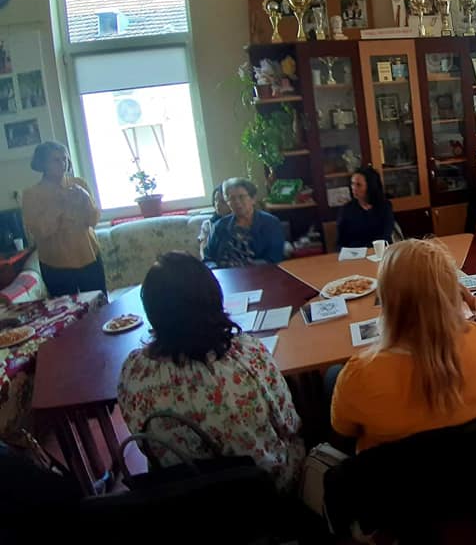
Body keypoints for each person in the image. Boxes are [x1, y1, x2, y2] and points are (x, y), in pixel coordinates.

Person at [117, 252, 305, 492]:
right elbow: (289, 424)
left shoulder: (133, 371)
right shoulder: (244, 357)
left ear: (152, 311)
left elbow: (144, 442)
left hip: (180, 495)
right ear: (213, 298)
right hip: (262, 490)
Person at [329, 239, 476, 452]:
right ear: (453, 291)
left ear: (388, 299)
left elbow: (343, 430)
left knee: (332, 375)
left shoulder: (359, 374)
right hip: (462, 460)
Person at [21, 141, 105, 297]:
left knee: (100, 304)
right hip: (55, 264)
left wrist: (86, 198)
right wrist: (58, 205)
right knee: (66, 309)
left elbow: (93, 221)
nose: (62, 163)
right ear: (43, 164)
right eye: (56, 160)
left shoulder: (80, 184)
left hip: (89, 255)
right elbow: (40, 231)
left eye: (64, 159)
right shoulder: (31, 195)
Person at [204, 177, 284, 266]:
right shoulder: (219, 225)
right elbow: (208, 258)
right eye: (231, 198)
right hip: (224, 272)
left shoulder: (271, 223)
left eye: (241, 197)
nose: (237, 202)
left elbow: (274, 259)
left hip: (257, 271)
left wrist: (247, 267)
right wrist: (214, 270)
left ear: (253, 199)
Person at [336, 166, 395, 249]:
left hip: (380, 250)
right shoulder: (346, 210)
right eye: (352, 184)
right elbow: (341, 242)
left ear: (370, 187)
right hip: (355, 253)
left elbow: (386, 236)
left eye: (358, 185)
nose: (353, 188)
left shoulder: (384, 206)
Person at [197, 182, 230, 257]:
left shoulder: (239, 221)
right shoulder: (208, 224)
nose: (217, 204)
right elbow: (203, 249)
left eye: (222, 201)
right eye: (215, 200)